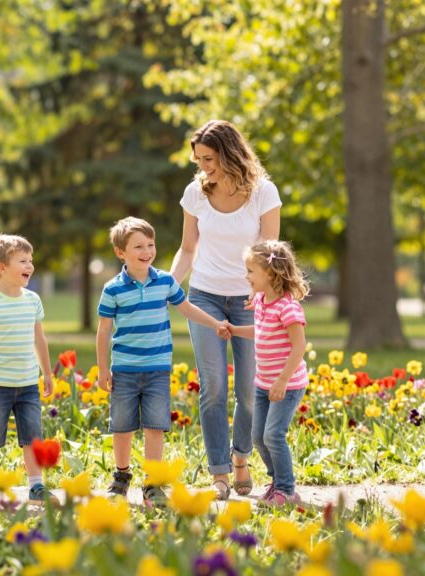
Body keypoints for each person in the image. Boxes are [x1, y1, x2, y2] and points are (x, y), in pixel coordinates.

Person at [170, 119, 281, 500]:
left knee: (252, 389)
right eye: (199, 159)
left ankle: (240, 458)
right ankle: (219, 472)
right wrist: (168, 286)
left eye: (210, 158)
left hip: (251, 301)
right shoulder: (195, 193)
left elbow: (269, 252)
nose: (203, 167)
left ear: (230, 153)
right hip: (205, 296)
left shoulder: (263, 192)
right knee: (214, 387)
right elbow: (188, 249)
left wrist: (262, 292)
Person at [96, 217, 230, 504]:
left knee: (155, 427)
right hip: (124, 370)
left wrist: (215, 322)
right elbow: (104, 330)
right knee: (122, 426)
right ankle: (121, 477)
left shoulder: (166, 281)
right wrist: (103, 368)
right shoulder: (113, 289)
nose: (147, 251)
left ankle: (153, 483)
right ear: (121, 253)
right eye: (138, 246)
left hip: (157, 370)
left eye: (150, 244)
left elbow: (187, 308)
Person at [0, 234, 56, 504]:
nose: (29, 265)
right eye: (22, 261)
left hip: (28, 383)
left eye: (30, 260)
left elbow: (39, 338)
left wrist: (47, 373)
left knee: (32, 437)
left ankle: (36, 486)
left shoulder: (33, 300)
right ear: (1, 268)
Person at [227, 239, 309, 505]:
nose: (246, 276)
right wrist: (235, 330)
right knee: (258, 438)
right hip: (263, 383)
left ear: (270, 273)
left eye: (251, 271)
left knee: (273, 435)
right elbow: (261, 332)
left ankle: (287, 489)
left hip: (287, 384)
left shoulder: (288, 307)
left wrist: (283, 381)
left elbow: (299, 347)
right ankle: (278, 482)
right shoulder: (261, 301)